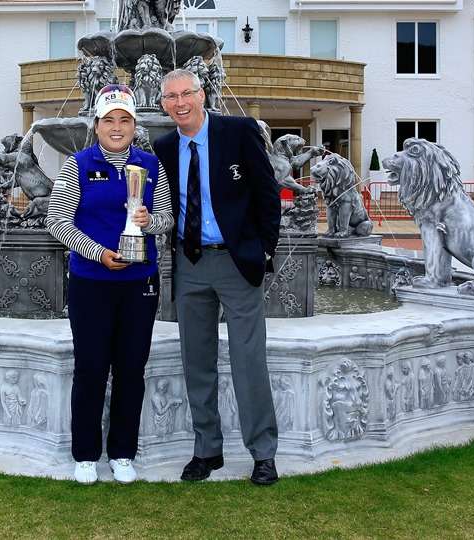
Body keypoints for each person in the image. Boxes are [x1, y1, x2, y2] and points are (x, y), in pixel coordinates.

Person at [152, 69, 281, 485]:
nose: (179, 102)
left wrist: (264, 248)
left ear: (202, 94)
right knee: (197, 361)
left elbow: (267, 193)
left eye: (186, 93)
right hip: (189, 264)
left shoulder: (239, 132)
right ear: (164, 103)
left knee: (249, 360)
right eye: (170, 97)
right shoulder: (165, 146)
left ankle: (263, 453)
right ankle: (207, 450)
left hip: (236, 262)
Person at [46, 84, 173, 484]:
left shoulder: (151, 166)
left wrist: (147, 222)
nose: (116, 127)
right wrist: (97, 252)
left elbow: (167, 220)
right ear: (96, 124)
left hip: (140, 280)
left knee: (132, 368)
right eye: (108, 120)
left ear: (135, 124)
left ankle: (122, 452)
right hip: (91, 281)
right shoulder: (77, 165)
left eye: (124, 120)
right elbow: (57, 223)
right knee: (91, 367)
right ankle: (85, 454)